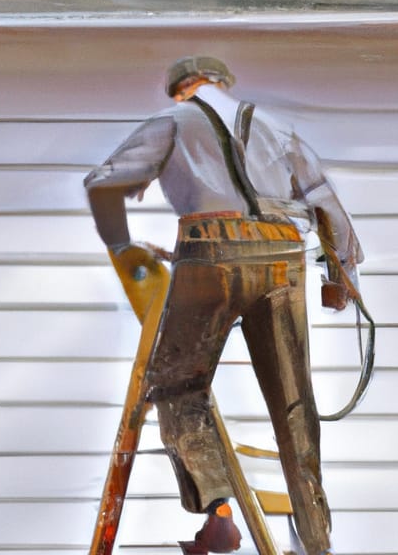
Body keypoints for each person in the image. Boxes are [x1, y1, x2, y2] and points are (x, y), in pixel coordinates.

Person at [85, 56, 363, 555]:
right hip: (282, 257)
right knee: (295, 408)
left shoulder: (172, 121)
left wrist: (128, 252)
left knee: (176, 385)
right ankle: (318, 541)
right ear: (224, 86)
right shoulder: (279, 129)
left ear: (180, 91)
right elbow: (325, 202)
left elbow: (101, 183)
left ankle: (219, 511)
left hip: (211, 252)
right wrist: (342, 277)